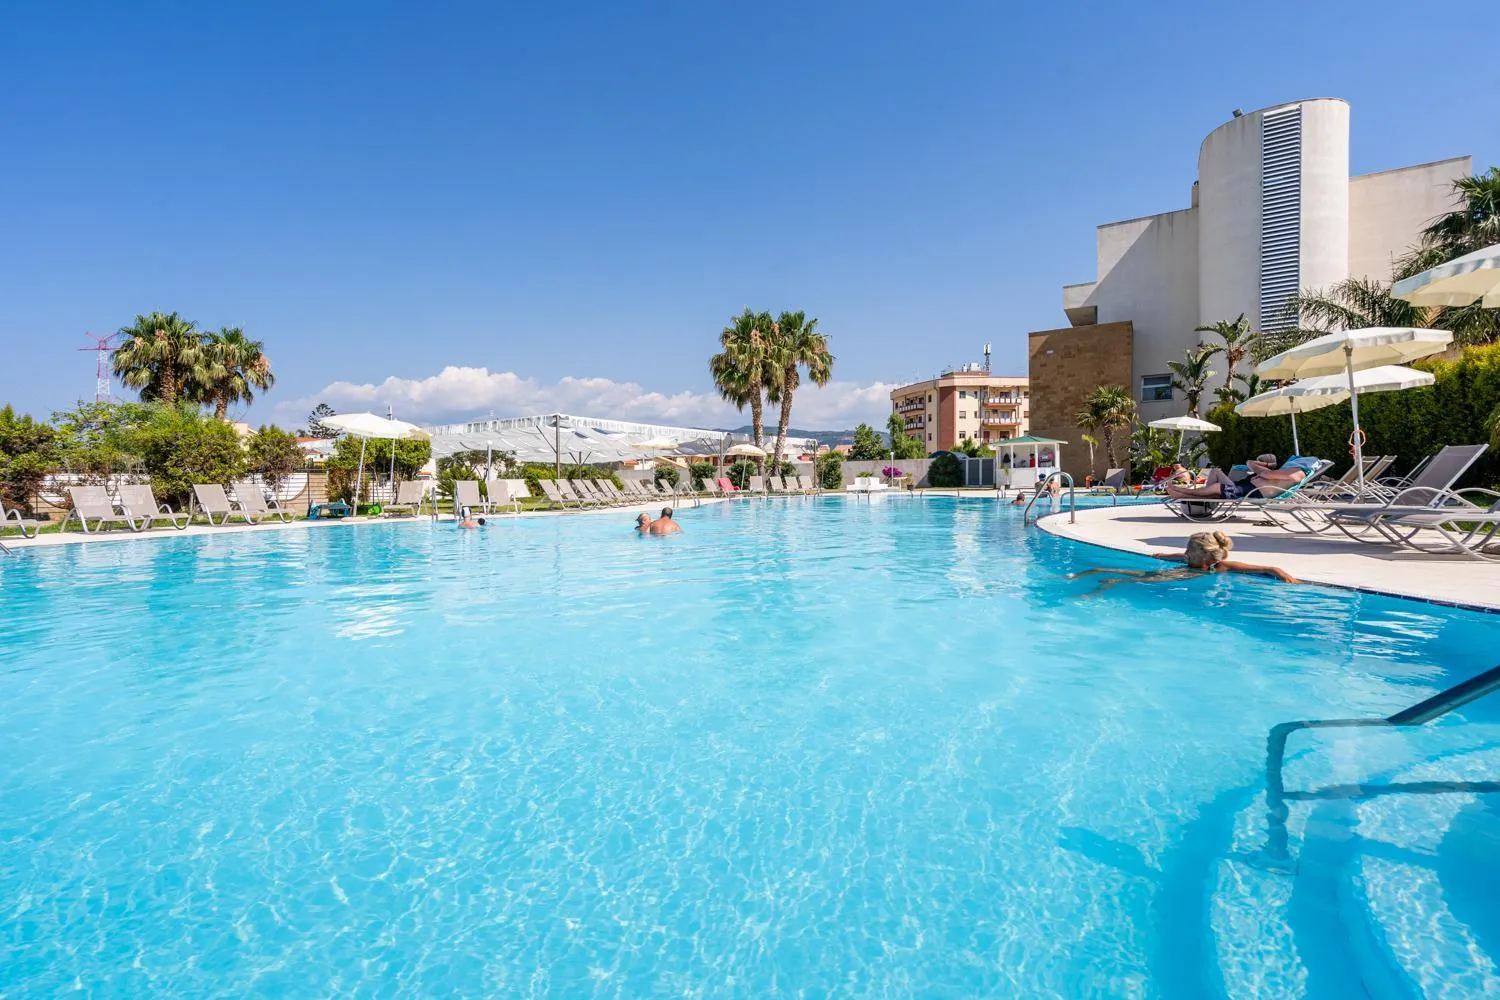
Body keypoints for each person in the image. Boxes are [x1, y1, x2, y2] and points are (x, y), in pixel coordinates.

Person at [1069, 530, 1297, 595]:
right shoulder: (1191, 559)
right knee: (1101, 568)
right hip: (1175, 574)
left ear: (1206, 555)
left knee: (1119, 579)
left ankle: (1097, 591)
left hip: (1178, 577)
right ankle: (1083, 577)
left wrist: (1282, 574)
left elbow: (1266, 568)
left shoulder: (1222, 566)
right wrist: (1163, 556)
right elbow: (1178, 556)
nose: (1186, 553)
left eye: (1190, 550)